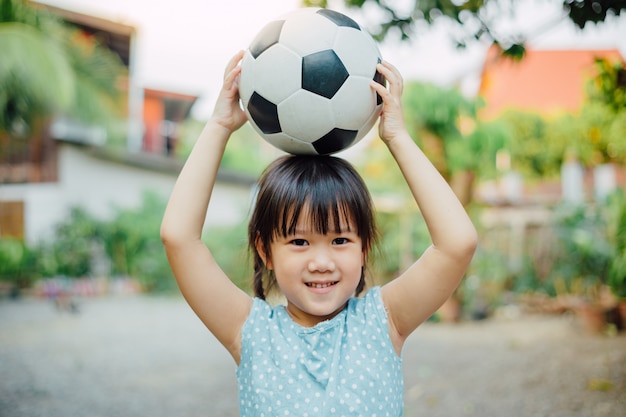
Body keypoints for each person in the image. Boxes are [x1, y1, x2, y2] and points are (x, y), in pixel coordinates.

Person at [161, 50, 478, 416]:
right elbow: (178, 237)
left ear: (364, 249)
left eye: (341, 240)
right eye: (299, 242)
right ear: (266, 251)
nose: (322, 262)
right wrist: (218, 126)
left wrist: (397, 137)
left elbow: (457, 243)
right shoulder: (251, 333)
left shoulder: (383, 321)